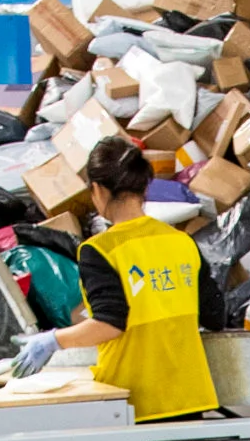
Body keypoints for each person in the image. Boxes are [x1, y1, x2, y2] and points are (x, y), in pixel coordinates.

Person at [32, 134, 220, 421]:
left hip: (133, 401)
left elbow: (109, 323)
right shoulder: (182, 242)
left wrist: (54, 340)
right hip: (189, 398)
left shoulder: (100, 250)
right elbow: (215, 316)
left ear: (97, 189)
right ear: (144, 186)